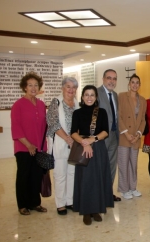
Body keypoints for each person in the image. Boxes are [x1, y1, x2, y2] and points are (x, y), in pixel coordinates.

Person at [71, 85, 114, 225]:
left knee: (98, 179)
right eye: (86, 95)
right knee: (85, 180)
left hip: (98, 148)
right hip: (83, 149)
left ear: (96, 98)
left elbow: (105, 131)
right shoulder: (77, 113)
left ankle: (96, 209)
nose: (89, 97)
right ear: (82, 97)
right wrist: (85, 142)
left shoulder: (101, 112)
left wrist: (92, 139)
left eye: (92, 95)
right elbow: (73, 132)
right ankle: (86, 211)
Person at [11, 72, 48, 215]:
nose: (33, 88)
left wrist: (43, 146)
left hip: (39, 147)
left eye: (36, 85)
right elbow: (16, 127)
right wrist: (28, 145)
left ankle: (35, 203)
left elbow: (44, 126)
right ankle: (22, 205)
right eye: (30, 85)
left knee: (36, 176)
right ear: (24, 87)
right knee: (23, 176)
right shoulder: (18, 105)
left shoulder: (41, 104)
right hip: (23, 148)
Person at [46, 77, 79, 215]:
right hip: (61, 143)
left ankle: (70, 201)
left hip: (74, 145)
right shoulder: (56, 102)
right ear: (62, 87)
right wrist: (67, 138)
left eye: (73, 87)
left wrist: (74, 139)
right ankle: (60, 204)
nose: (71, 90)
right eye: (68, 86)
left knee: (72, 173)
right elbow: (53, 123)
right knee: (60, 175)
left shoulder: (77, 104)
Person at [117, 74, 147, 199]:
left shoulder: (143, 100)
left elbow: (143, 120)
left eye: (137, 83)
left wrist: (138, 134)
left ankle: (133, 187)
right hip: (124, 136)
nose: (135, 85)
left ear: (139, 85)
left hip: (135, 137)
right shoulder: (122, 96)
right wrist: (126, 133)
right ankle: (124, 189)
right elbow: (118, 116)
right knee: (123, 164)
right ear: (129, 84)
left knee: (133, 164)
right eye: (133, 82)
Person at [97, 69, 121, 202]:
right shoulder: (96, 93)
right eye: (109, 78)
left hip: (113, 136)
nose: (112, 81)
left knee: (112, 166)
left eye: (114, 79)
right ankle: (99, 194)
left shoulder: (115, 95)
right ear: (103, 79)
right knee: (100, 166)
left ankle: (108, 193)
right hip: (101, 137)